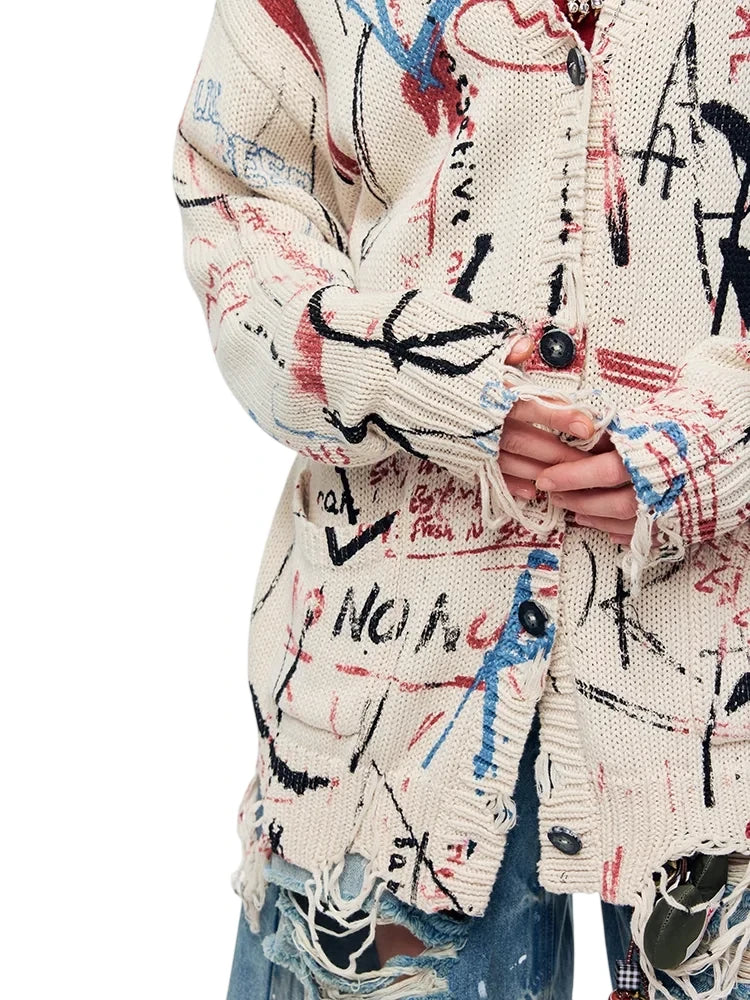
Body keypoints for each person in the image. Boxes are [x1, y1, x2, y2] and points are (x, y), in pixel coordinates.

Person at [171, 0, 750, 997]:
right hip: (392, 689)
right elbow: (236, 189)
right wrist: (423, 381)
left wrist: (717, 443)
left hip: (717, 705)